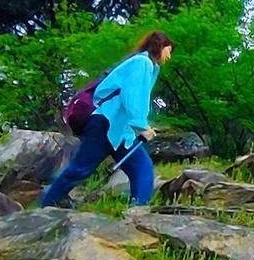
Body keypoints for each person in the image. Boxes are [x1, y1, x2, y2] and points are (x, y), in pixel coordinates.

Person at [40, 32, 174, 207]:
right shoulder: (143, 63)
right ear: (159, 47)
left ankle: (138, 209)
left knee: (141, 167)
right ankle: (47, 202)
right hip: (106, 124)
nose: (169, 56)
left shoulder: (141, 64)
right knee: (81, 168)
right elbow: (132, 96)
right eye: (168, 50)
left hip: (119, 130)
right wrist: (142, 127)